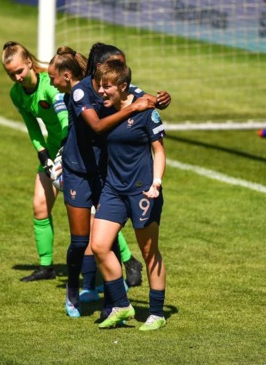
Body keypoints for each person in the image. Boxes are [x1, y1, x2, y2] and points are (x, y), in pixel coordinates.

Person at [48, 44, 167, 319]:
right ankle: (74, 293)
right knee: (81, 241)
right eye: (114, 65)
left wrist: (161, 99)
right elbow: (98, 127)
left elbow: (143, 97)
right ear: (99, 68)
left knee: (106, 240)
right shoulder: (81, 92)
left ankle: (113, 303)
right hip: (79, 170)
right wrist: (135, 107)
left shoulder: (115, 86)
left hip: (107, 173)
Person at [90, 60, 167, 331]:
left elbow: (158, 150)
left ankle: (157, 313)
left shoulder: (146, 111)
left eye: (106, 86)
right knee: (99, 246)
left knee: (149, 253)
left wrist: (156, 182)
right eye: (99, 85)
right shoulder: (105, 110)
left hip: (142, 190)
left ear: (123, 87)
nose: (101, 90)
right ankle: (122, 305)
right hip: (114, 189)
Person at [2, 41, 68, 282]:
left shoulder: (49, 85)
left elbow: (65, 120)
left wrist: (66, 149)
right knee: (40, 204)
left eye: (19, 71)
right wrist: (42, 152)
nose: (17, 77)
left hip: (72, 144)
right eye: (11, 74)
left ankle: (127, 260)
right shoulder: (16, 94)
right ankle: (46, 267)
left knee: (89, 209)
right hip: (52, 148)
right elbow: (32, 127)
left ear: (29, 63)